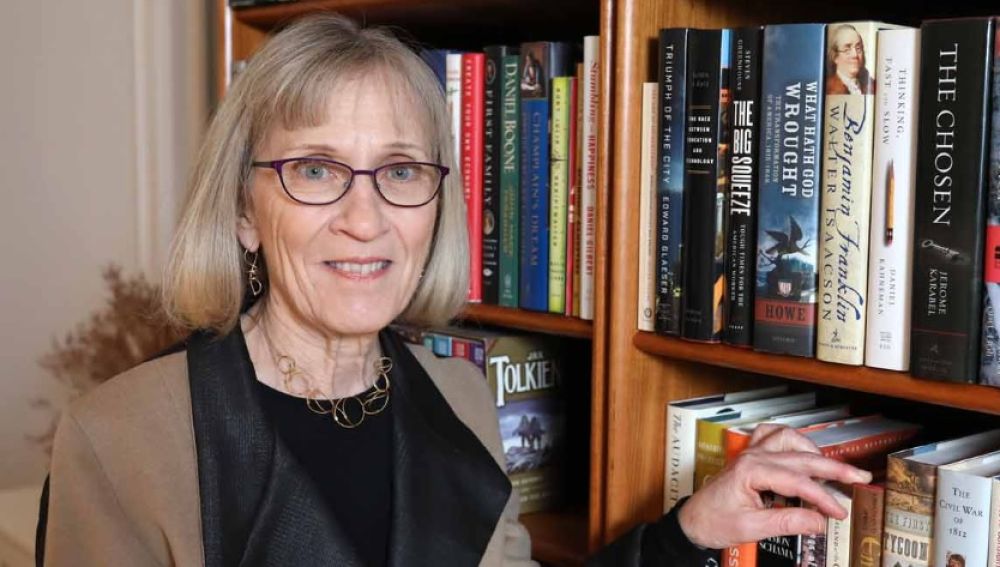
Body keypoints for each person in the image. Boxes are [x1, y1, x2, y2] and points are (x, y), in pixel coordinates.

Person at [39, 14, 872, 566]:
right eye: (316, 170)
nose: (365, 219)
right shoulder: (120, 439)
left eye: (400, 170)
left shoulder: (460, 394)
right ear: (243, 212)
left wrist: (688, 531)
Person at [825, 24, 874, 95]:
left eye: (858, 48)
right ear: (835, 57)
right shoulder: (829, 89)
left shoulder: (871, 85)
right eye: (847, 50)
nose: (855, 55)